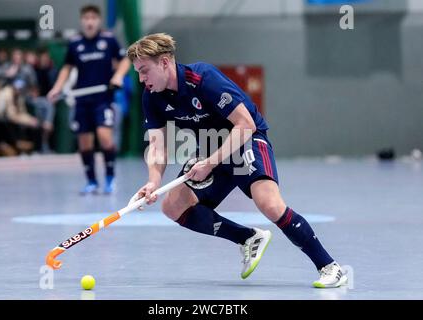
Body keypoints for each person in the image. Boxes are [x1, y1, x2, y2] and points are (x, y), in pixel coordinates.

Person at [126, 33, 347, 288]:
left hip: (246, 140)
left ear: (164, 62)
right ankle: (248, 238)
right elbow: (157, 145)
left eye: (144, 71)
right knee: (173, 206)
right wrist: (153, 182)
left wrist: (209, 163)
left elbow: (245, 125)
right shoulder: (152, 96)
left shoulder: (203, 78)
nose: (142, 80)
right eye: (139, 73)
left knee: (270, 205)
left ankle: (330, 266)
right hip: (213, 149)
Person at [47, 4, 131, 195]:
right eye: (86, 18)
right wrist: (57, 88)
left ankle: (110, 178)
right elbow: (67, 68)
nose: (90, 22)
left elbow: (125, 60)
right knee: (84, 143)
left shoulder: (108, 40)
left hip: (103, 99)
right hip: (81, 99)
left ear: (99, 20)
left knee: (105, 138)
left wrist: (118, 76)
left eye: (93, 18)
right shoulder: (75, 43)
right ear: (82, 21)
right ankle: (92, 181)